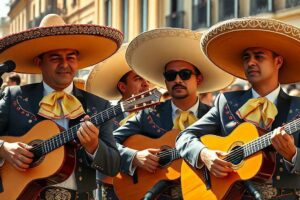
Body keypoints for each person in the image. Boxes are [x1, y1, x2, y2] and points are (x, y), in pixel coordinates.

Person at [0, 14, 123, 200]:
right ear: (39, 62)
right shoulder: (15, 97)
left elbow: (113, 166)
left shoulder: (98, 106)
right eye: (55, 58)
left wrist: (94, 146)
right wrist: (4, 148)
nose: (65, 64)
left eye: (71, 57)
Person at [176, 17, 300, 199]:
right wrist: (204, 154)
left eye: (258, 56)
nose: (250, 63)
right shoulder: (226, 101)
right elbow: (184, 137)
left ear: (278, 62)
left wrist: (293, 154)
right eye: (246, 58)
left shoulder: (297, 107)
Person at [113, 28, 234, 200]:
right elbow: (109, 143)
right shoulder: (148, 115)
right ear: (165, 81)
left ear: (198, 79)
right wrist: (134, 157)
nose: (177, 80)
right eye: (171, 75)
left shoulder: (217, 117)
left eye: (184, 74)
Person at [86, 44, 150, 200]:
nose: (145, 84)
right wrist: (134, 157)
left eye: (147, 79)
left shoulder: (156, 116)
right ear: (122, 86)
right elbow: (100, 156)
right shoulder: (104, 117)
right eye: (138, 78)